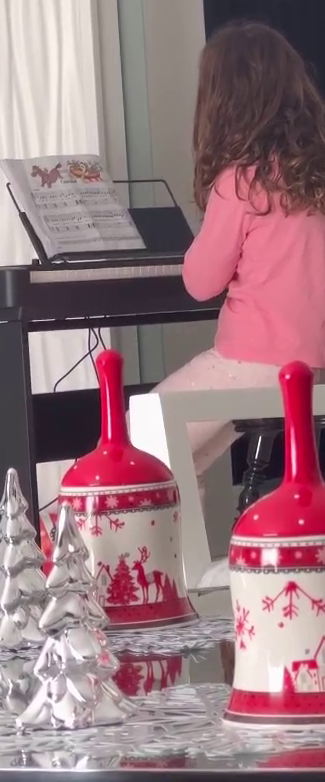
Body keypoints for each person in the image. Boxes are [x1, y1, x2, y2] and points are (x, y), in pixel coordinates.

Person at [154, 20, 325, 505]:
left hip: (254, 365)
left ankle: (179, 572)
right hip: (312, 368)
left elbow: (200, 282)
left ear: (224, 101)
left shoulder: (240, 180)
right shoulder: (315, 178)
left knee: (145, 431)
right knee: (181, 455)